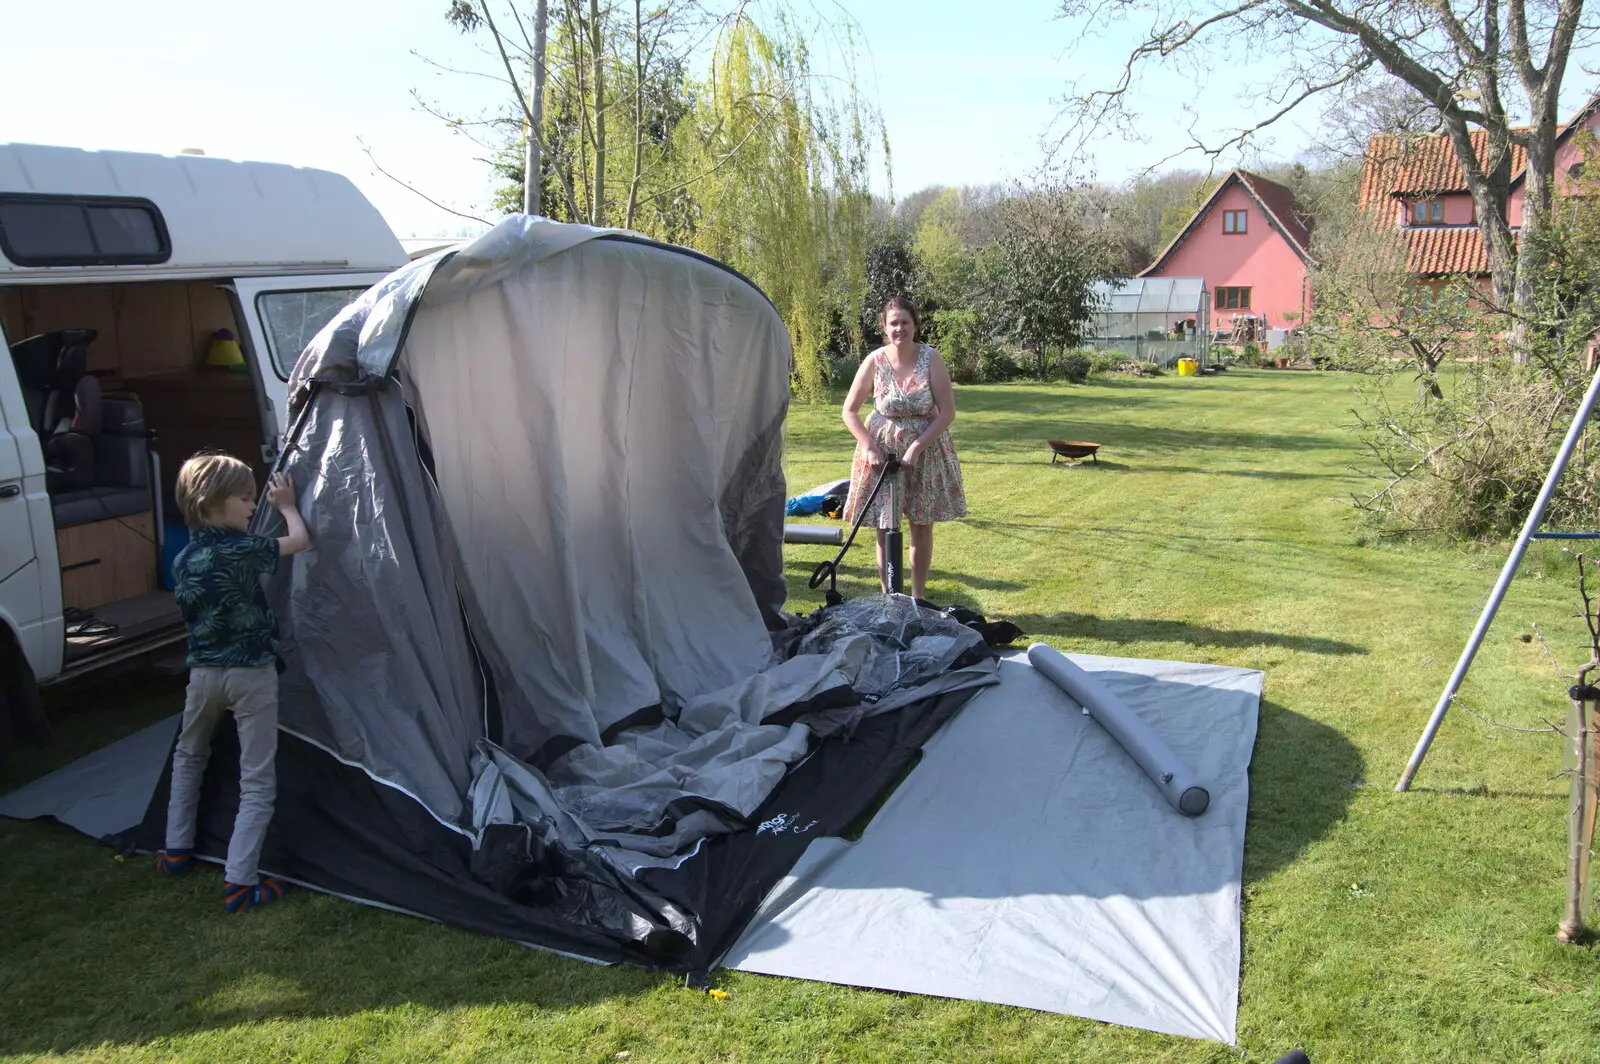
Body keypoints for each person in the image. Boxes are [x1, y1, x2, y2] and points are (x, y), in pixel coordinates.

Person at [154, 453, 310, 913]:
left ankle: (175, 848)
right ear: (214, 502)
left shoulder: (183, 558)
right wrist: (286, 506)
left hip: (202, 675)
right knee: (257, 778)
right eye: (245, 498)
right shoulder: (243, 549)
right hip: (251, 675)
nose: (251, 506)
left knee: (189, 755)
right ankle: (241, 880)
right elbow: (299, 541)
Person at [841, 296, 967, 599]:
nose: (899, 328)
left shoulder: (931, 358)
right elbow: (849, 411)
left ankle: (918, 598)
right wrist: (869, 447)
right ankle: (890, 599)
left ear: (915, 325)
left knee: (921, 525)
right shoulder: (875, 361)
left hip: (926, 453)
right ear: (884, 327)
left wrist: (917, 448)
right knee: (885, 527)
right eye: (893, 323)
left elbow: (947, 413)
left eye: (905, 322)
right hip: (883, 456)